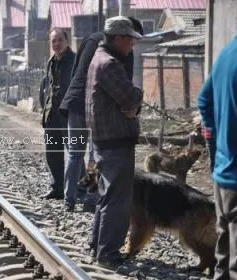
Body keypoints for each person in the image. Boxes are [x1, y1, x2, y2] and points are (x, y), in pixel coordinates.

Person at [60, 17, 143, 212]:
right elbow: (125, 88)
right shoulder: (120, 52)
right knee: (93, 154)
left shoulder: (91, 40)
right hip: (95, 106)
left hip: (75, 100)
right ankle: (90, 198)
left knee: (74, 154)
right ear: (125, 35)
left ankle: (69, 199)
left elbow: (75, 72)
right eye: (134, 39)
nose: (134, 43)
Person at [197, 1, 237, 278]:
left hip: (224, 177)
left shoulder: (228, 52)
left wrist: (219, 146)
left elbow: (204, 100)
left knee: (224, 262)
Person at [85, 16, 143, 269]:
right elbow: (130, 97)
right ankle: (108, 254)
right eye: (130, 39)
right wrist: (136, 98)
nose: (132, 45)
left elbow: (129, 104)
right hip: (115, 140)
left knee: (107, 196)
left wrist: (132, 107)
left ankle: (97, 245)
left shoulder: (99, 59)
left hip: (105, 138)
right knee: (117, 200)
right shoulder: (110, 64)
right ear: (118, 38)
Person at [39, 28, 75, 200]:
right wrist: (44, 108)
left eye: (60, 40)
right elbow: (46, 87)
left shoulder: (75, 61)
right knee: (52, 153)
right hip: (52, 116)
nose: (57, 44)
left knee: (74, 153)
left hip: (70, 116)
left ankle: (78, 189)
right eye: (53, 41)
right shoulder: (51, 62)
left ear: (67, 41)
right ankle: (57, 188)